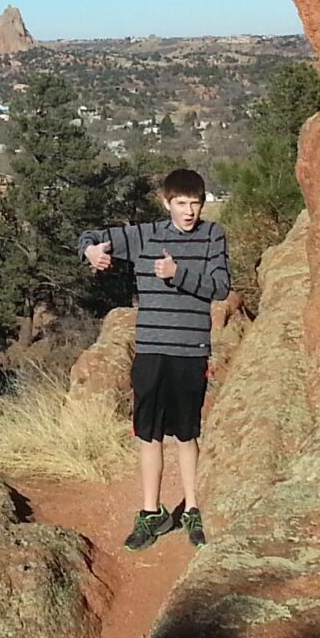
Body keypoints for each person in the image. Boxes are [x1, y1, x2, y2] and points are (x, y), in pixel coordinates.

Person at [78, 168, 229, 549]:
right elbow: (92, 236)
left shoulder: (213, 236)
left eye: (195, 203)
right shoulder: (145, 236)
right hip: (151, 349)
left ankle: (192, 509)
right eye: (181, 204)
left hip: (190, 350)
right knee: (148, 434)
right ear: (167, 203)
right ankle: (152, 513)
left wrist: (178, 273)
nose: (189, 212)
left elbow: (221, 286)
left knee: (186, 433)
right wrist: (90, 251)